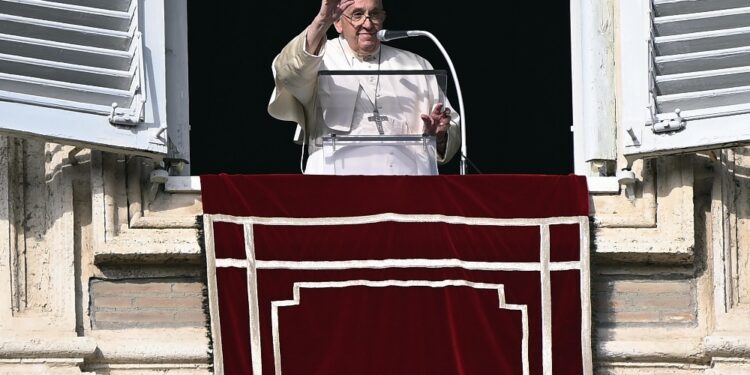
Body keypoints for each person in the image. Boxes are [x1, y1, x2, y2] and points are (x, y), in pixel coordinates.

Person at [268, 0, 461, 175]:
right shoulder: (317, 57)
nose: (368, 24)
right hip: (335, 182)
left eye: (375, 14)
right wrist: (321, 21)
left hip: (406, 182)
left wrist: (439, 137)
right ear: (337, 22)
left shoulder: (415, 65)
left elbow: (449, 128)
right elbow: (287, 72)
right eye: (357, 15)